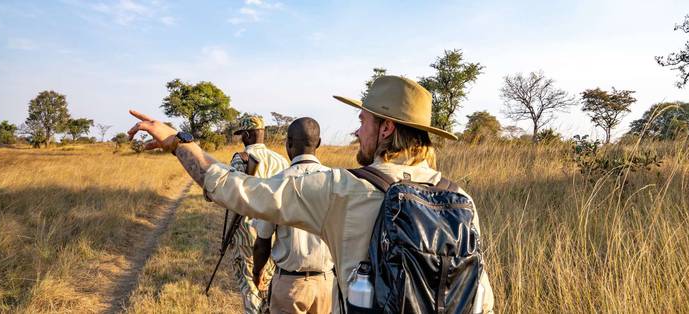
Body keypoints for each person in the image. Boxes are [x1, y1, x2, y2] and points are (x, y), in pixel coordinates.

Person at [127, 75, 495, 313]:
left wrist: (178, 142)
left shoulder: (344, 189)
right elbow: (480, 296)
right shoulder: (459, 198)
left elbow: (235, 190)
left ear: (386, 129)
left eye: (363, 121)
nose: (357, 132)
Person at [252, 117, 335, 314]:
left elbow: (262, 243)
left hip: (290, 284)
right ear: (319, 143)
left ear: (288, 143)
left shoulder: (276, 183)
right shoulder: (336, 182)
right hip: (327, 283)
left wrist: (257, 272)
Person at [226, 115, 290, 314]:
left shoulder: (241, 158)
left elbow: (233, 197)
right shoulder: (281, 160)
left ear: (247, 135)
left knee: (250, 289)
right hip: (275, 234)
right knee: (268, 285)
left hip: (247, 234)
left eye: (241, 135)